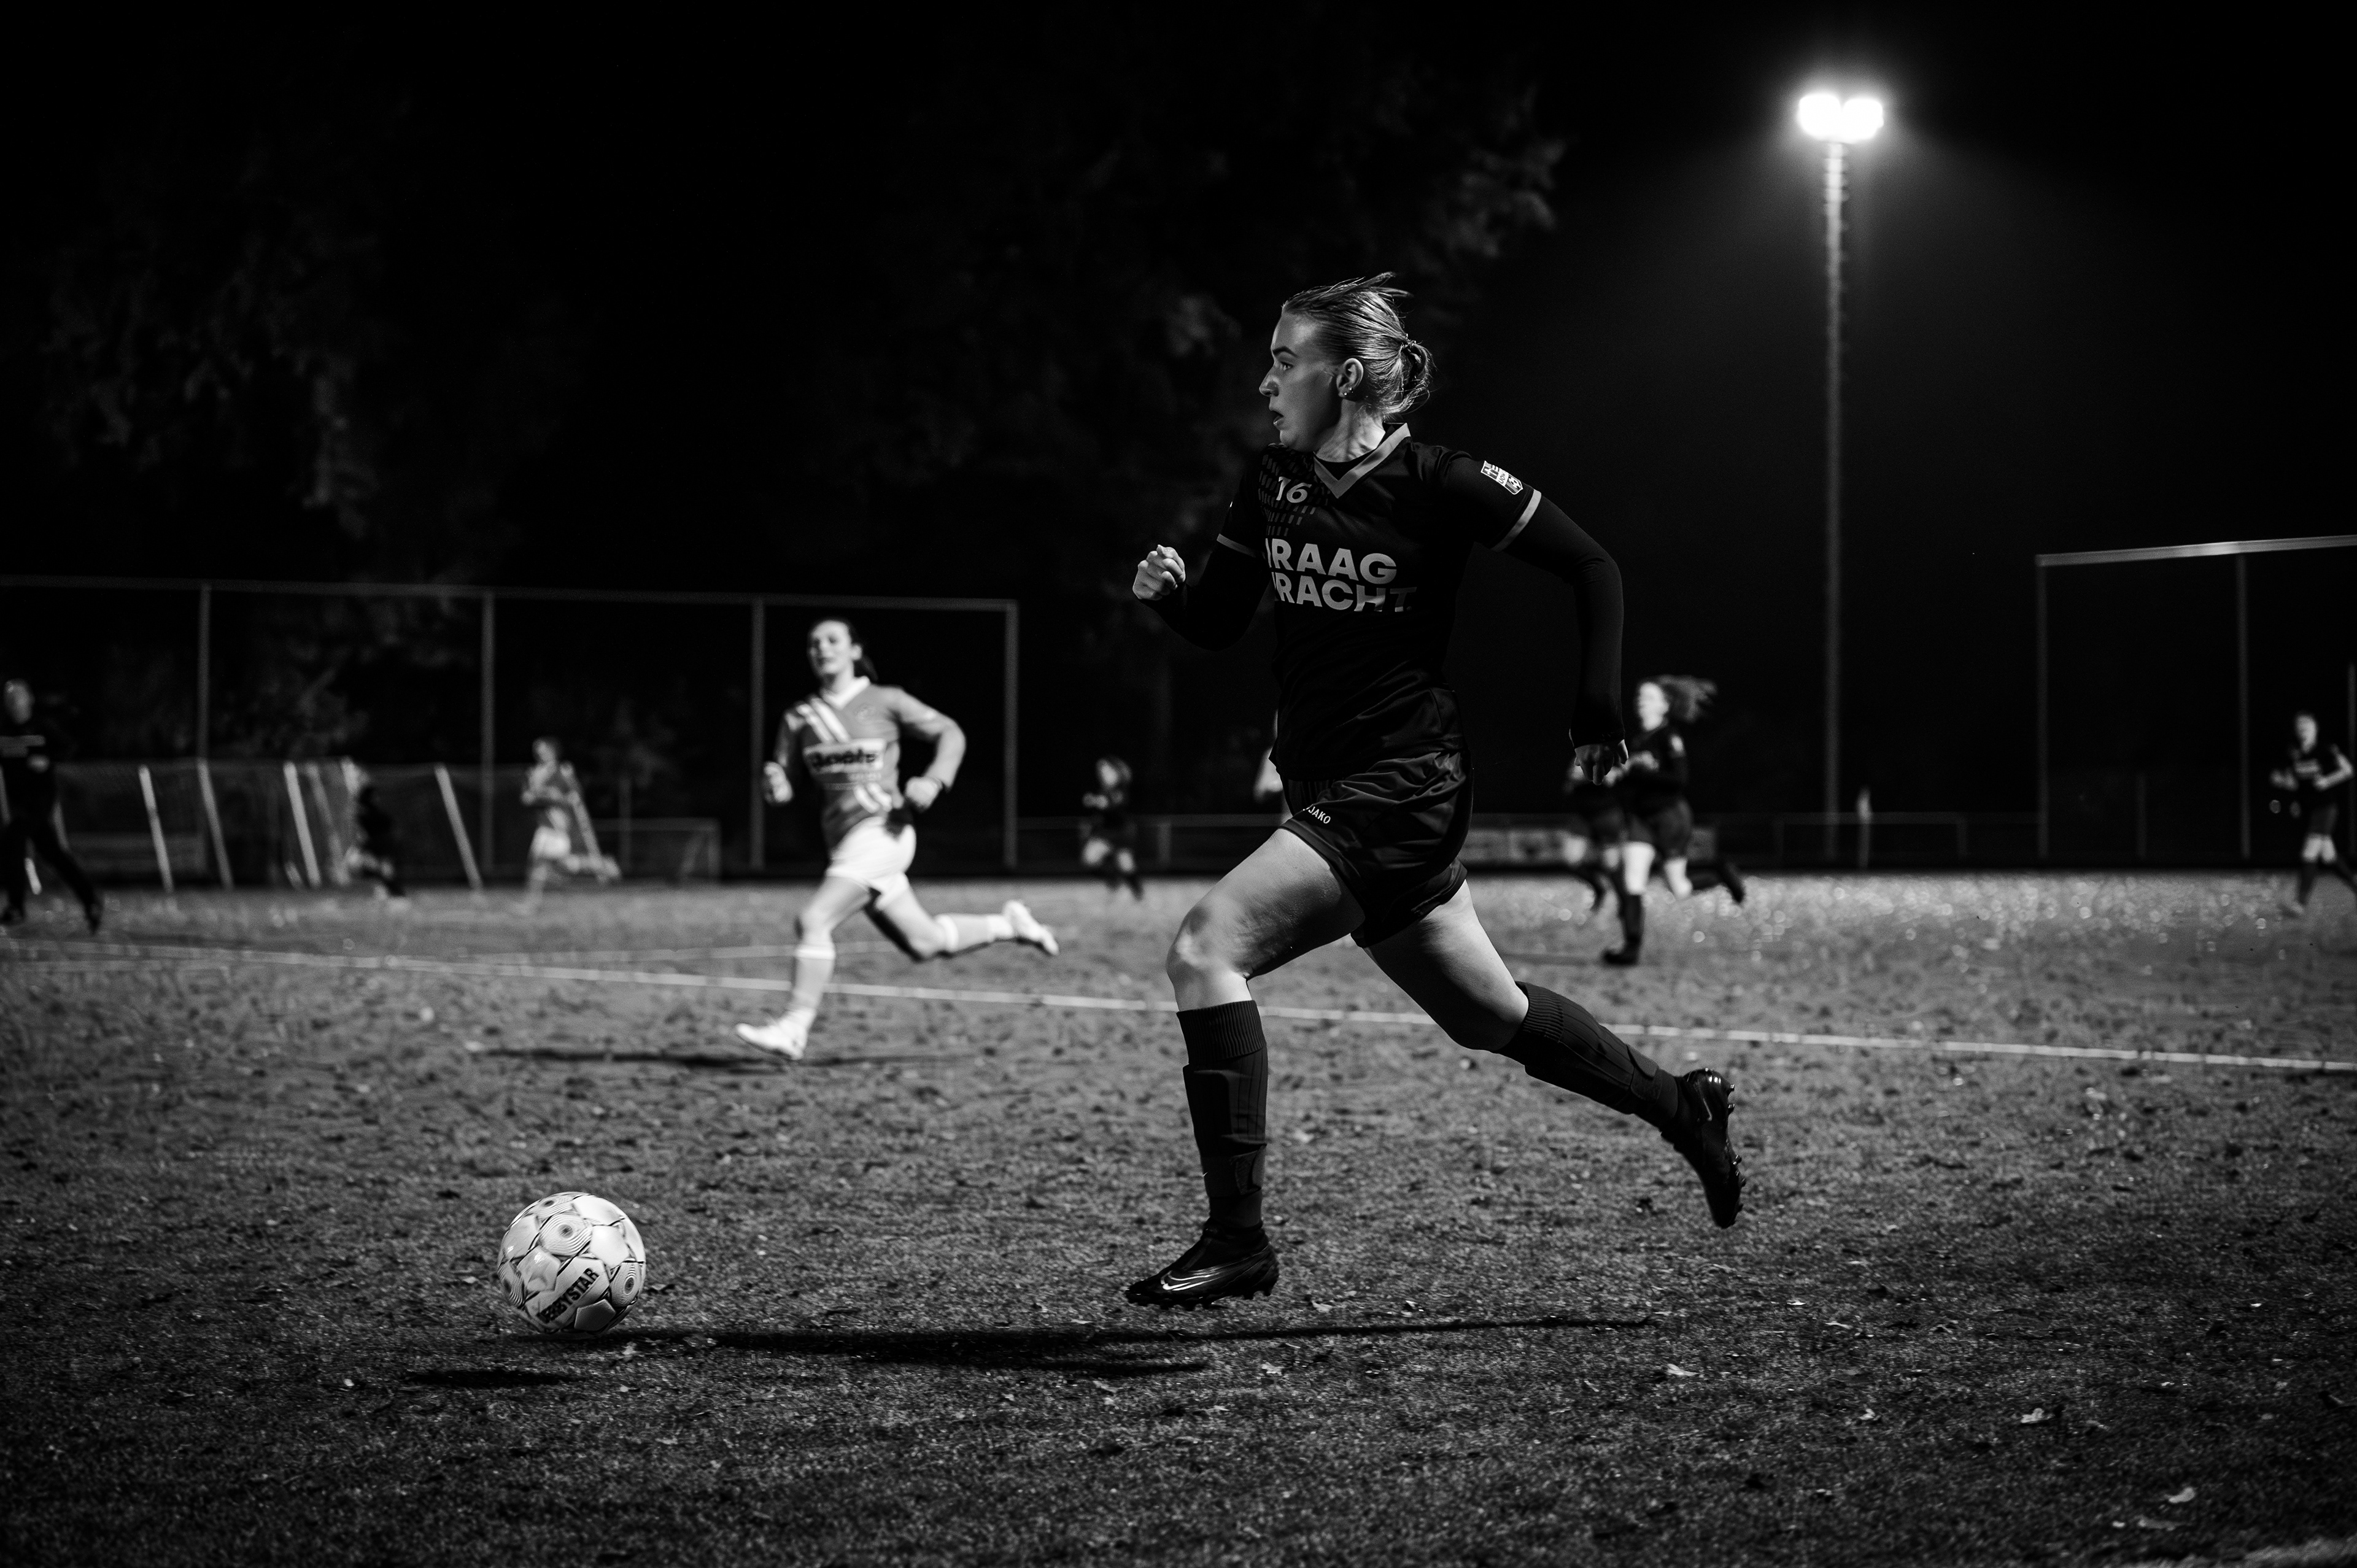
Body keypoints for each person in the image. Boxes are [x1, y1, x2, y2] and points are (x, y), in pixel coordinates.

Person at [1123, 274, 1743, 1311]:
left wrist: (1598, 711)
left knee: (1205, 947)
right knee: (1488, 1014)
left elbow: (1592, 567)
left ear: (1346, 377)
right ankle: (1685, 1106)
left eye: (1285, 360)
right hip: (1329, 786)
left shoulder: (1442, 480)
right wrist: (1173, 599)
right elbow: (1222, 621)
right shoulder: (1270, 479)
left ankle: (1238, 1240)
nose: (1266, 381)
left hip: (1402, 785)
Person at [735, 619, 1059, 1060]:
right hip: (845, 843)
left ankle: (794, 1027)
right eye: (813, 643)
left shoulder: (886, 700)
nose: (822, 648)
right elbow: (785, 785)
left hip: (884, 831)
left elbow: (950, 732)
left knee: (814, 919)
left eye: (832, 640)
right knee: (924, 942)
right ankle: (1010, 925)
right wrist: (775, 786)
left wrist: (934, 780)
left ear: (855, 650)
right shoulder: (799, 717)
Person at [1602, 676, 1745, 966]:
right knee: (1632, 881)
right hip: (1641, 819)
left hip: (1670, 817)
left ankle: (1720, 872)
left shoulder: (1669, 738)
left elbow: (1678, 780)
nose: (1641, 702)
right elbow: (1633, 782)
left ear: (1665, 706)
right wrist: (1617, 777)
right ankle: (1631, 948)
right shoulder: (1638, 741)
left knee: (1679, 889)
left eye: (1649, 698)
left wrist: (1641, 772)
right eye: (1639, 697)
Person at [0, 679, 101, 932]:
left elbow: (69, 747)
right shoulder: (5, 730)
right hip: (19, 801)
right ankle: (90, 899)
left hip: (40, 798)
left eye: (18, 697)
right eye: (10, 699)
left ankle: (16, 906)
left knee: (14, 836)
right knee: (51, 852)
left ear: (30, 699)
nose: (14, 703)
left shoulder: (42, 727)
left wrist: (47, 759)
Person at [2269, 710, 2356, 914]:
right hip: (2311, 810)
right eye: (2300, 727)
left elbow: (2348, 770)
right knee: (2328, 857)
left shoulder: (2325, 749)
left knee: (2309, 853)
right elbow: (2295, 784)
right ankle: (2354, 881)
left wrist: (2327, 781)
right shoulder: (2294, 752)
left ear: (2315, 728)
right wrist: (2281, 782)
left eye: (2307, 726)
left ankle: (2300, 904)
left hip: (2326, 809)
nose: (2303, 730)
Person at [521, 738, 619, 905]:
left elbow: (575, 797)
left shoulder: (562, 771)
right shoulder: (535, 773)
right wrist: (538, 793)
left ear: (552, 751)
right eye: (537, 751)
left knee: (543, 865)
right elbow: (527, 798)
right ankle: (601, 864)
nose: (539, 754)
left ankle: (531, 904)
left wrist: (554, 796)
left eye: (543, 750)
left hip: (556, 825)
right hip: (544, 825)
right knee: (555, 865)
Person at [1557, 749, 1622, 916]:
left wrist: (1586, 775)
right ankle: (1599, 888)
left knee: (1611, 864)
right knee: (1571, 859)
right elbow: (1571, 779)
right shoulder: (1581, 751)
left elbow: (1612, 777)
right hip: (1582, 815)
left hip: (1606, 814)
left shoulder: (1610, 751)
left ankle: (1624, 901)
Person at [339, 760, 408, 901]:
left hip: (379, 842)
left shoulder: (371, 813)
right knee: (377, 867)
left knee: (380, 868)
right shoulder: (368, 810)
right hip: (377, 843)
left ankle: (395, 892)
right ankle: (389, 890)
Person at [1080, 755, 1145, 899]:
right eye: (1101, 772)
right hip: (1106, 832)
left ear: (1117, 772)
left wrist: (1094, 801)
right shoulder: (1104, 790)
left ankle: (1139, 895)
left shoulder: (1120, 789)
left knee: (1127, 866)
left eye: (1108, 771)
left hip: (1122, 832)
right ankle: (1115, 881)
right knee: (1089, 860)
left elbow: (1110, 805)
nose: (1104, 775)